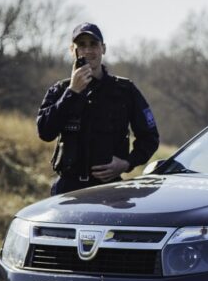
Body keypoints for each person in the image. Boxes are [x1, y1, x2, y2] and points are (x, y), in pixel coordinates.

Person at [37, 23, 159, 195]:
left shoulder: (124, 90)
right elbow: (45, 132)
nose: (88, 50)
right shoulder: (60, 90)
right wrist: (72, 92)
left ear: (103, 48)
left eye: (93, 44)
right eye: (82, 45)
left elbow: (150, 137)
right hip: (68, 190)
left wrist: (127, 164)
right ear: (73, 50)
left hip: (110, 190)